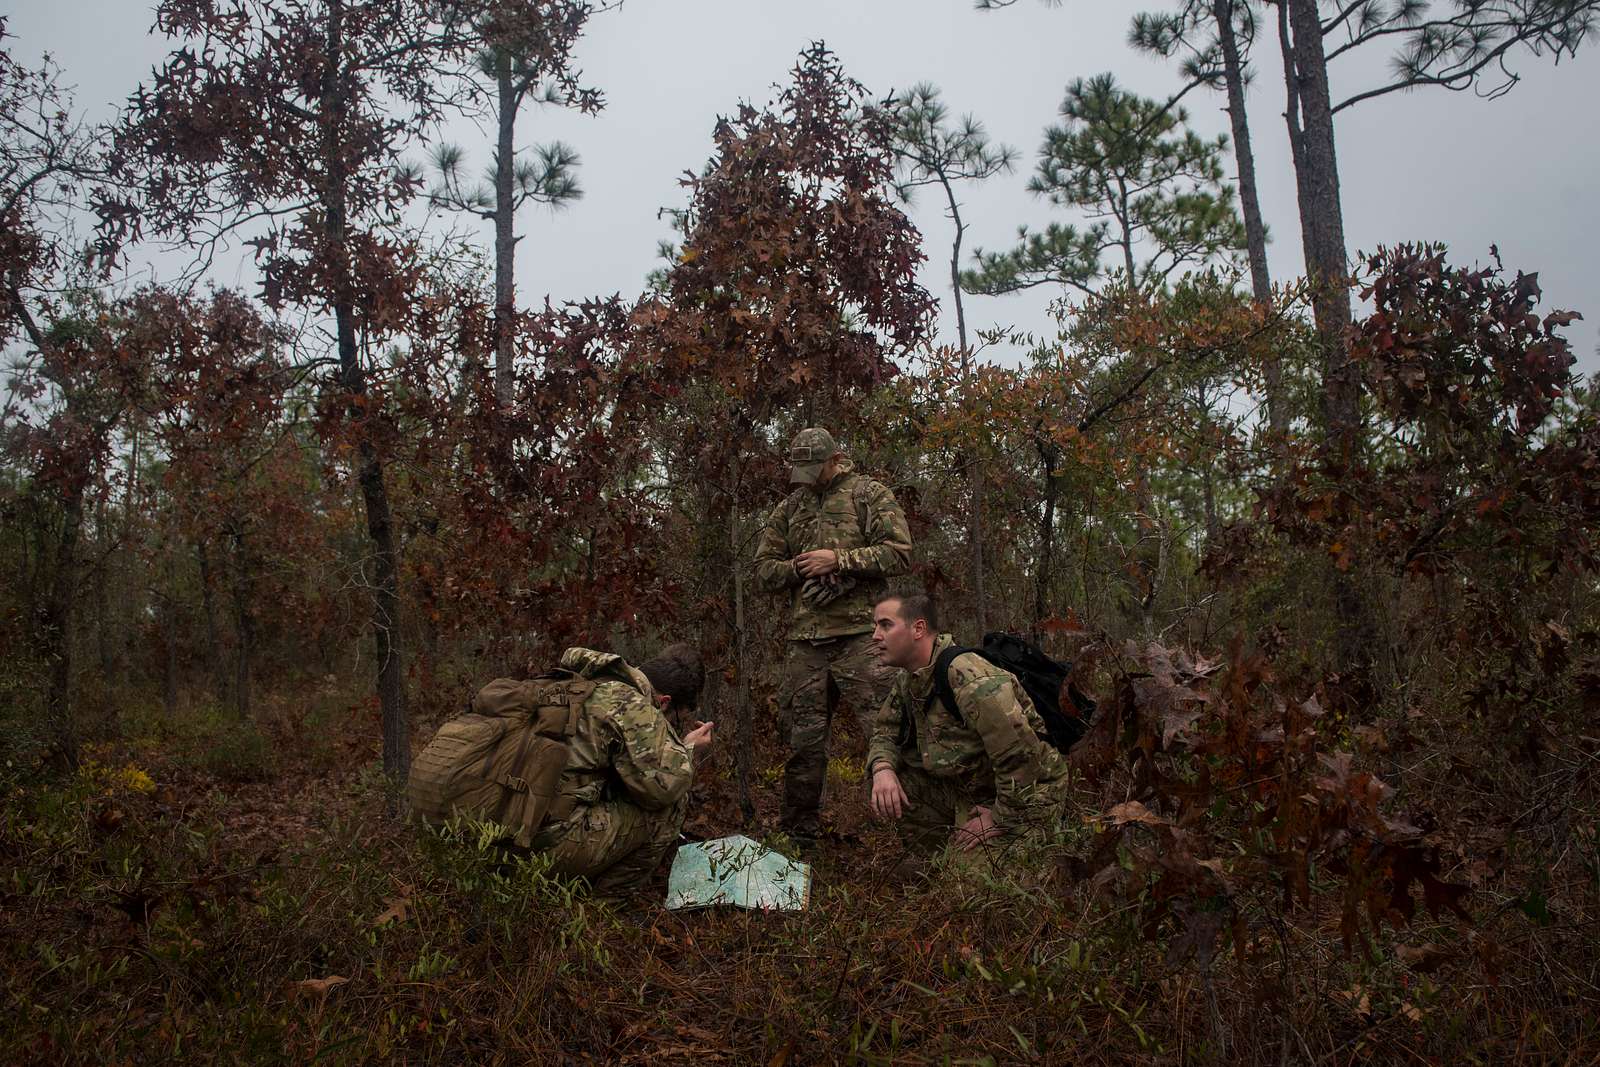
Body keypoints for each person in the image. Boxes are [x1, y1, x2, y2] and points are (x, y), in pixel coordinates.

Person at [752, 427, 913, 841]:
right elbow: (763, 570)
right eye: (800, 470)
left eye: (814, 469)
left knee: (890, 733)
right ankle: (799, 838)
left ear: (834, 459)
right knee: (801, 746)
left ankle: (913, 832)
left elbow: (899, 552)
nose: (807, 478)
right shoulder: (790, 508)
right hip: (806, 643)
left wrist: (839, 560)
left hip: (863, 637)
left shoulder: (868, 494)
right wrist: (801, 568)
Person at [865, 595, 1069, 855]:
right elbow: (885, 732)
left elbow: (1021, 759)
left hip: (1026, 793)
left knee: (972, 888)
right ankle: (932, 857)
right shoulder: (909, 678)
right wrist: (882, 769)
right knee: (888, 778)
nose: (875, 635)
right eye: (875, 626)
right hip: (967, 786)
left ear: (918, 629)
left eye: (885, 625)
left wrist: (998, 817)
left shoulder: (971, 679)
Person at [528, 643, 714, 894]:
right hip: (541, 847)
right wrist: (687, 749)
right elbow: (663, 788)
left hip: (498, 831)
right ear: (665, 703)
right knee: (670, 807)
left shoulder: (583, 681)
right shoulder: (633, 705)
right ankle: (608, 904)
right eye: (674, 719)